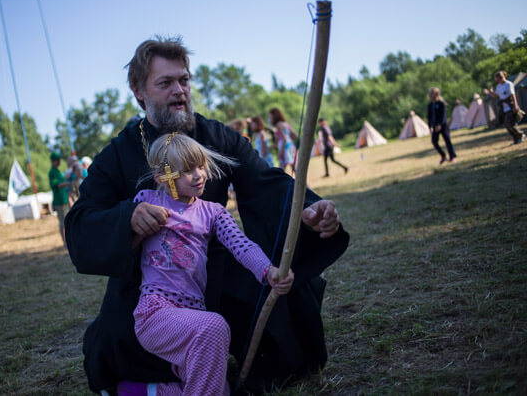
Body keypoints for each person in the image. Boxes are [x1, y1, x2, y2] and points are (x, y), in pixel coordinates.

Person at [65, 36, 349, 394]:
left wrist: (306, 208)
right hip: (151, 281)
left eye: (184, 80)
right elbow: (80, 221)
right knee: (116, 341)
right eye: (165, 83)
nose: (179, 90)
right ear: (138, 91)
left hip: (217, 265)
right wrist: (128, 220)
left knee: (285, 304)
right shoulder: (120, 153)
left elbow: (265, 182)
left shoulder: (216, 136)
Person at [127, 132, 294, 395]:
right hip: (155, 312)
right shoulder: (146, 202)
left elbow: (242, 246)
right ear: (163, 178)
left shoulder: (212, 212)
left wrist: (268, 271)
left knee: (217, 388)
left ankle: (144, 391)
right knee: (214, 327)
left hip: (194, 313)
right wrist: (136, 224)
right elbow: (124, 240)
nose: (199, 175)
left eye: (201, 165)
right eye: (187, 170)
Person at [490, 70, 526, 144]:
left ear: (502, 77)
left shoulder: (509, 84)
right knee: (506, 124)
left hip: (510, 106)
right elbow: (496, 95)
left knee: (509, 123)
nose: (498, 81)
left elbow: (513, 95)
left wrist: (515, 106)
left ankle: (521, 134)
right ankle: (516, 138)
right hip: (504, 108)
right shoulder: (499, 86)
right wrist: (491, 92)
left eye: (499, 79)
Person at [427, 87, 457, 164]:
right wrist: (430, 127)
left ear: (435, 94)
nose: (430, 95)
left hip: (443, 126)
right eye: (429, 94)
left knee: (447, 140)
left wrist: (440, 125)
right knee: (434, 142)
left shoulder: (441, 104)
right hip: (434, 126)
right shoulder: (430, 105)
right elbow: (429, 117)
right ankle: (443, 156)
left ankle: (452, 156)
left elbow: (443, 116)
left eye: (431, 93)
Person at [49, 152, 70, 247]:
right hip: (59, 201)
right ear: (54, 161)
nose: (60, 162)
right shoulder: (52, 172)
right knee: (62, 222)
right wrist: (68, 183)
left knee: (67, 221)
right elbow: (57, 185)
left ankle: (68, 240)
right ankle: (65, 242)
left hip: (64, 199)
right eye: (58, 160)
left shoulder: (57, 171)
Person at [269, 107, 298, 173]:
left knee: (281, 170)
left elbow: (284, 139)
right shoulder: (285, 124)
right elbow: (295, 136)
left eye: (270, 117)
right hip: (290, 146)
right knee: (293, 168)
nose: (270, 119)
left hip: (285, 148)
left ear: (275, 116)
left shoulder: (278, 125)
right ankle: (304, 183)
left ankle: (279, 183)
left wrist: (280, 153)